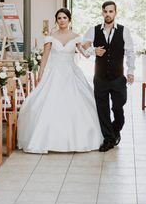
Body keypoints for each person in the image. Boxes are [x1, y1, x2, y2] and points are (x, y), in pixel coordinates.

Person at [16, 8, 103, 153]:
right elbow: (44, 57)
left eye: (64, 18)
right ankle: (45, 139)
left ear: (69, 20)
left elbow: (85, 54)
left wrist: (94, 51)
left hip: (71, 73)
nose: (62, 20)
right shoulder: (50, 37)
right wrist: (40, 75)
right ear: (56, 21)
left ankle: (78, 139)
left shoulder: (76, 37)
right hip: (53, 73)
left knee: (76, 104)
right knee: (48, 103)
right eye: (59, 18)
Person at [82, 1, 135, 152]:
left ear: (115, 13)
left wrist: (130, 72)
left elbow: (130, 52)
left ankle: (114, 130)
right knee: (102, 109)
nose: (108, 14)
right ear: (102, 13)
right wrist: (93, 50)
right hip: (100, 78)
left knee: (118, 107)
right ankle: (108, 139)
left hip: (118, 77)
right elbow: (82, 46)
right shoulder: (94, 30)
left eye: (111, 11)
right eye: (105, 11)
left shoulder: (124, 31)